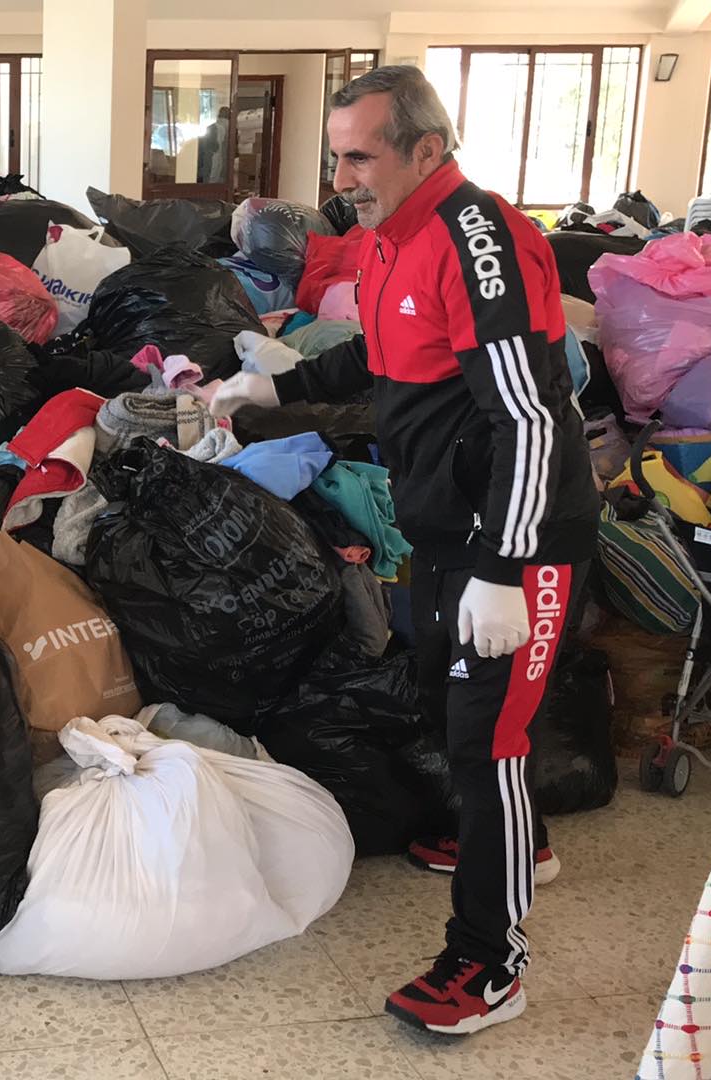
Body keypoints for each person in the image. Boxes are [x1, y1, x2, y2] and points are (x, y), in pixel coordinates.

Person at [212, 65, 598, 1037]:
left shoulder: (480, 240)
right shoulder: (387, 242)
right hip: (443, 532)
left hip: (520, 536)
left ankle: (489, 962)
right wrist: (274, 390)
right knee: (439, 693)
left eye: (360, 155)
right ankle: (523, 843)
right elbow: (377, 360)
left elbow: (528, 416)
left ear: (427, 149)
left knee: (488, 742)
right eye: (335, 155)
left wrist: (509, 568)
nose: (341, 175)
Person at [196, 107, 231, 184]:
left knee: (210, 179)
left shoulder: (213, 126)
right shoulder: (230, 126)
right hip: (222, 159)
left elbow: (213, 146)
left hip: (212, 158)